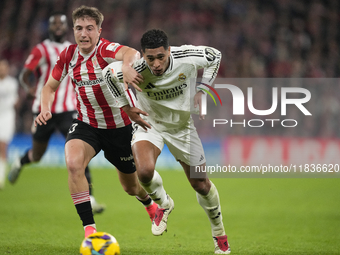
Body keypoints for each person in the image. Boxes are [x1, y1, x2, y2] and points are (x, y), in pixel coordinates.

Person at [103, 29, 231, 254]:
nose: (156, 64)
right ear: (143, 55)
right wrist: (127, 107)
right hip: (150, 125)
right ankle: (164, 204)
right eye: (150, 58)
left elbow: (215, 56)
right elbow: (107, 74)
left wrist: (203, 90)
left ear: (169, 51)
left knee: (201, 185)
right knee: (143, 172)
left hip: (182, 128)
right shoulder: (136, 68)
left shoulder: (186, 57)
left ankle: (219, 234)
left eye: (161, 57)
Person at [33, 6, 157, 238]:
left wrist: (128, 68)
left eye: (90, 28)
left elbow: (130, 52)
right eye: (79, 28)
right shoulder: (68, 55)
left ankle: (149, 203)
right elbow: (49, 87)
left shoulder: (105, 50)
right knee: (73, 164)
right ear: (73, 30)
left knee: (131, 188)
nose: (84, 34)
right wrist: (45, 108)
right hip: (87, 124)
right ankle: (90, 231)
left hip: (120, 128)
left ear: (99, 31)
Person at [7, 11, 105, 214]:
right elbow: (25, 74)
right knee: (38, 155)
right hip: (44, 111)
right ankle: (21, 161)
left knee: (79, 152)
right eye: (55, 25)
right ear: (49, 27)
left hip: (68, 109)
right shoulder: (41, 49)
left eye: (62, 24)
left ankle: (91, 197)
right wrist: (32, 91)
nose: (59, 28)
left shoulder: (75, 49)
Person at [0, 59, 18, 190]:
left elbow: (14, 102)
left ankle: (0, 178)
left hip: (6, 117)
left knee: (2, 146)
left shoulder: (12, 83)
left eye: (4, 67)